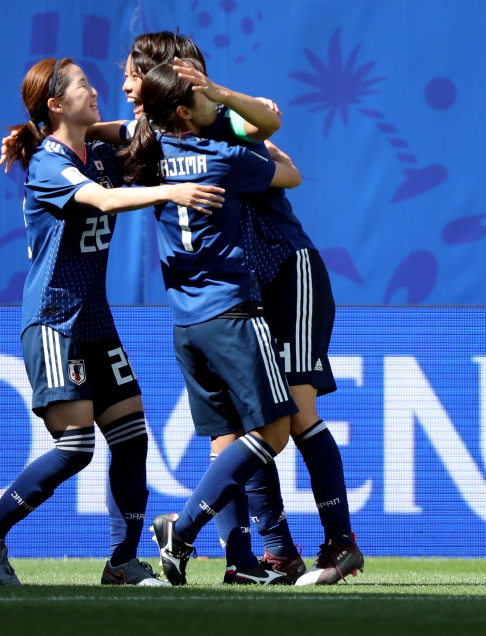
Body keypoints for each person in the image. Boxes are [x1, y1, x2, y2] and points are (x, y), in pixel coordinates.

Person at [0, 57, 225, 587]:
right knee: (77, 446)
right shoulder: (48, 163)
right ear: (56, 104)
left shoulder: (99, 153)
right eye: (83, 85)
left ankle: (122, 562)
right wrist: (170, 191)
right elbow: (105, 200)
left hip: (96, 323)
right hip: (55, 321)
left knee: (131, 438)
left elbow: (140, 133)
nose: (96, 89)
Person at [172, 58, 365, 585]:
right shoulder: (165, 141)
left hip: (291, 273)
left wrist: (225, 99)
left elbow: (282, 152)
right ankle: (273, 552)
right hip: (245, 296)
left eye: (131, 78)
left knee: (297, 415)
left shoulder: (227, 127)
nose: (124, 87)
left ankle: (341, 545)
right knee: (247, 425)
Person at [119, 59, 302, 586]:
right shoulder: (222, 156)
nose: (214, 107)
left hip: (185, 324)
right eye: (202, 99)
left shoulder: (147, 159)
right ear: (183, 110)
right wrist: (234, 118)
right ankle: (185, 525)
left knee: (226, 440)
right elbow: (287, 170)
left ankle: (241, 565)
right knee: (274, 431)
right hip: (233, 314)